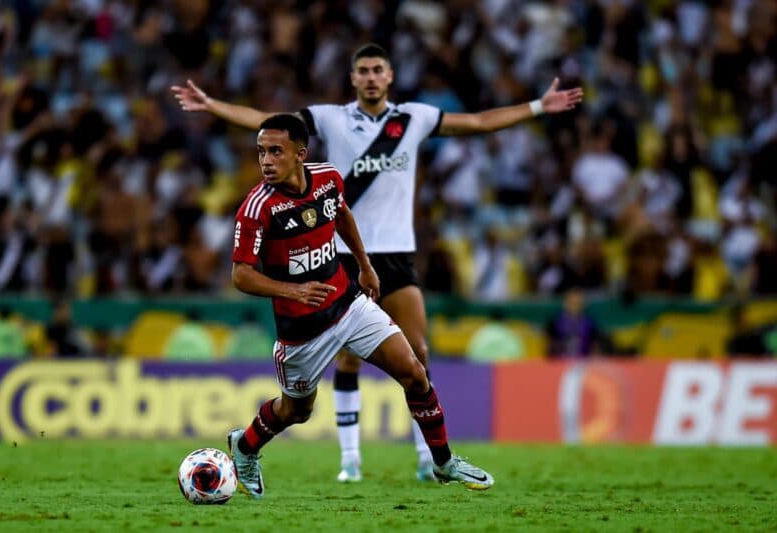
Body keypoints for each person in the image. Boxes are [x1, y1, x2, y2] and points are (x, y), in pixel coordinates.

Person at [172, 43, 582, 482]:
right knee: (299, 409)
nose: (369, 77)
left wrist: (540, 105)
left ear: (389, 76)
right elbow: (269, 126)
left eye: (377, 69)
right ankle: (298, 452)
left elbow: (477, 123)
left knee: (414, 364)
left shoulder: (405, 124)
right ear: (352, 78)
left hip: (369, 273)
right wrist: (213, 105)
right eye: (362, 70)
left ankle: (439, 462)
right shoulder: (322, 128)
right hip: (305, 317)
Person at [226, 114, 493, 499]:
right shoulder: (257, 209)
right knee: (296, 412)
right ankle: (245, 446)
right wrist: (293, 291)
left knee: (415, 372)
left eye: (275, 151)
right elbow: (241, 276)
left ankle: (443, 461)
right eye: (261, 152)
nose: (266, 160)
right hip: (302, 332)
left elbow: (342, 215)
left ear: (300, 154)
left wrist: (365, 266)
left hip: (348, 303)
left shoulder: (328, 179)